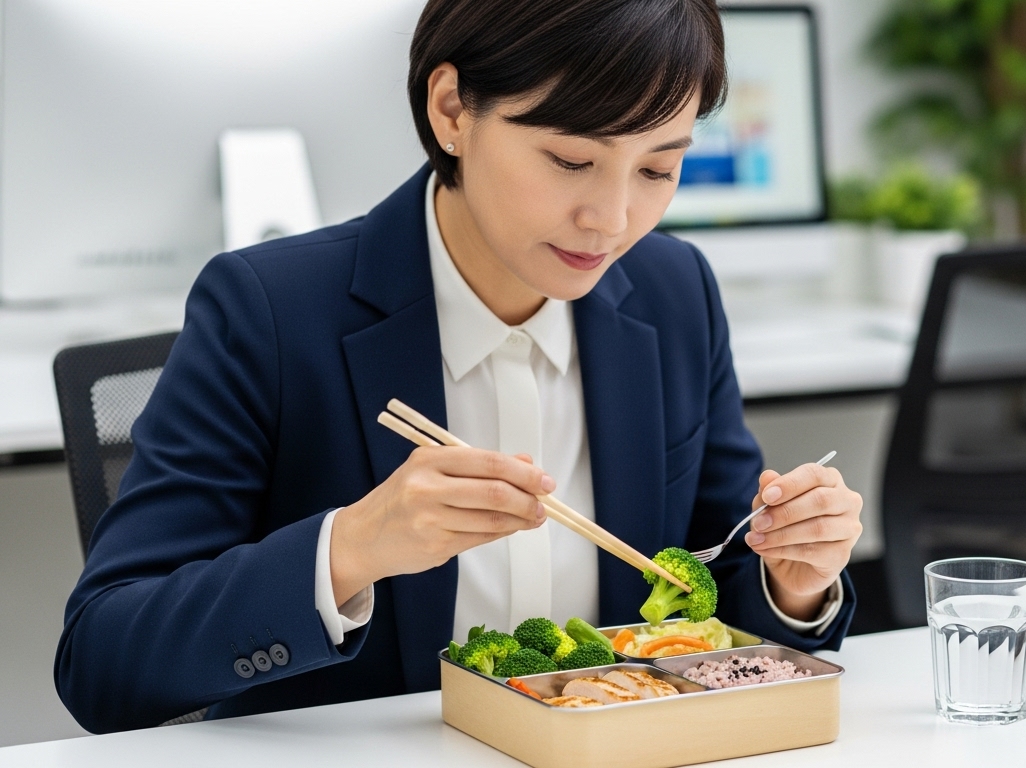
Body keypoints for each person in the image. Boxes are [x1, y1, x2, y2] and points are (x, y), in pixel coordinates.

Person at [55, 0, 862, 733]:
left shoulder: (671, 291)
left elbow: (719, 573)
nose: (613, 219)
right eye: (571, 161)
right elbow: (102, 660)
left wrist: (797, 580)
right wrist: (351, 549)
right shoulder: (269, 308)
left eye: (658, 169)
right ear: (452, 111)